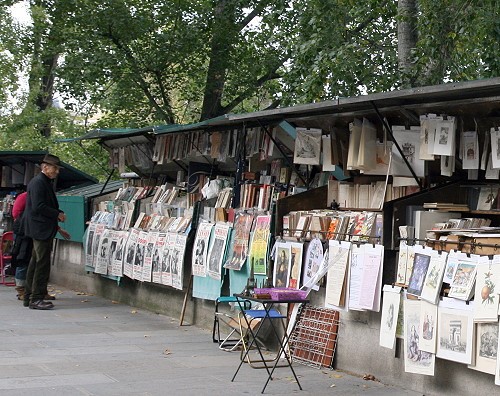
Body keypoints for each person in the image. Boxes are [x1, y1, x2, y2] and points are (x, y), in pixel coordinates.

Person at [23, 154, 70, 310]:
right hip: (40, 228)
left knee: (36, 261)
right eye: (55, 168)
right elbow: (39, 206)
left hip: (41, 227)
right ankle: (36, 298)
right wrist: (57, 214)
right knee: (41, 263)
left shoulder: (43, 182)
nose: (57, 171)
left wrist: (58, 213)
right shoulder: (38, 183)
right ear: (45, 167)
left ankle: (30, 295)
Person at [11, 190, 32, 300]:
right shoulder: (24, 196)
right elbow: (15, 213)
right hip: (22, 231)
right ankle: (20, 289)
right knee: (22, 259)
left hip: (32, 231)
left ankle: (29, 288)